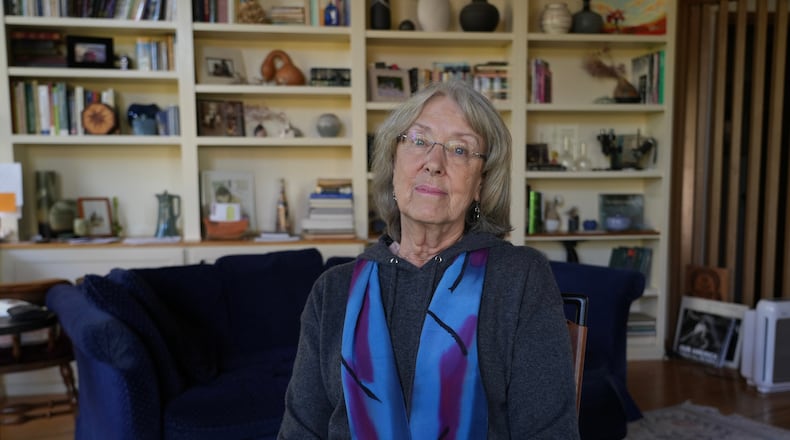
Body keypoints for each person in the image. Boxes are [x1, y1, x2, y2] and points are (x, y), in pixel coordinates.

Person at [279, 80, 579, 439]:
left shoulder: (520, 277)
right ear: (393, 164)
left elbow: (549, 432)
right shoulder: (333, 291)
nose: (434, 163)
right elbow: (300, 432)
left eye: (459, 150)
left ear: (481, 184)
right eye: (419, 141)